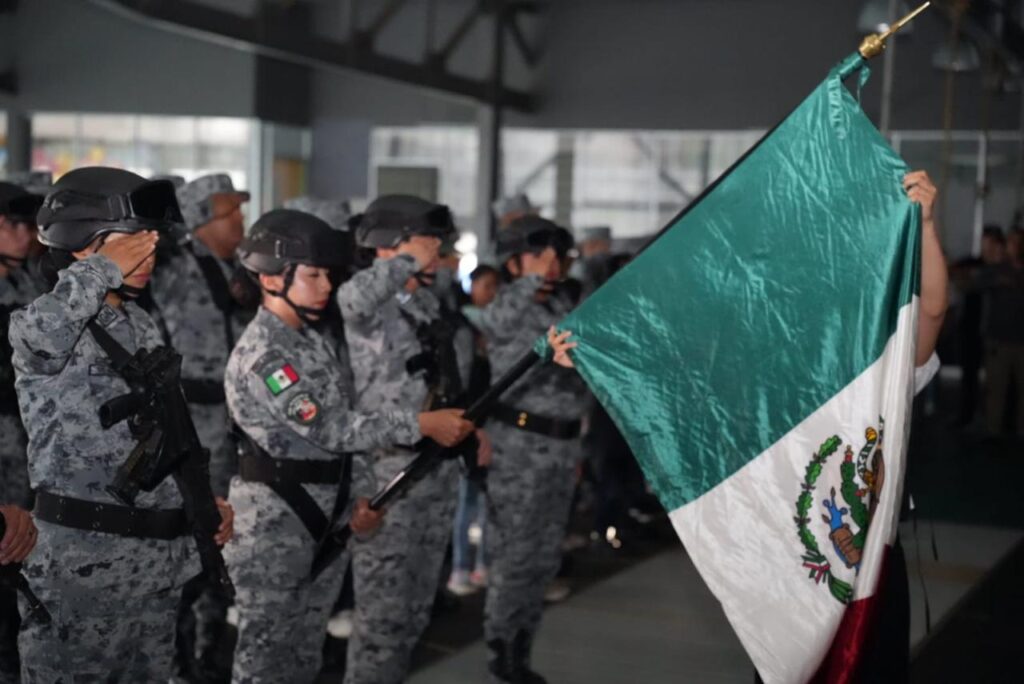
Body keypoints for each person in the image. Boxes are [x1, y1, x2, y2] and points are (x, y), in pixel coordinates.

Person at [548, 171, 948, 684]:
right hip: (788, 565)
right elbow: (674, 378)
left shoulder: (876, 367)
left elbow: (931, 310)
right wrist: (593, 355)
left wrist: (926, 227)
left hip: (871, 563)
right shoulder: (769, 375)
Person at [8, 167, 233, 683]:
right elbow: (39, 338)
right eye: (133, 244)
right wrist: (102, 268)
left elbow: (163, 433)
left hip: (152, 567)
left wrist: (199, 504)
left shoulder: (139, 323)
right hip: (81, 574)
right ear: (83, 243)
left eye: (152, 245)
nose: (147, 258)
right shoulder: (46, 323)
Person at [340, 194, 480, 684]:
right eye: (428, 243)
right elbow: (351, 300)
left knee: (414, 615)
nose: (437, 253)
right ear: (390, 244)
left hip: (432, 471)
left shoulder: (420, 303)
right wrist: (404, 259)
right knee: (381, 622)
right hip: (388, 472)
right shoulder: (369, 300)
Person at [475, 215, 588, 683]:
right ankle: (501, 651)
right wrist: (528, 282)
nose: (550, 263)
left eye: (555, 255)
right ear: (514, 263)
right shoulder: (509, 306)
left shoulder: (562, 305)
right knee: (515, 556)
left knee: (543, 559)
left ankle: (522, 648)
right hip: (519, 450)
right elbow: (496, 319)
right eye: (538, 255)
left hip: (560, 447)